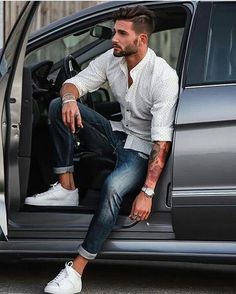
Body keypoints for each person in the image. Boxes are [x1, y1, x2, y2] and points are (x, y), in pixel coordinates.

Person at [25, 5, 178, 294]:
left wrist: (147, 192)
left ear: (141, 39)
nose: (114, 39)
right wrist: (70, 99)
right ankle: (66, 187)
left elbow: (161, 142)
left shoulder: (163, 77)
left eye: (122, 33)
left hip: (141, 149)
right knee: (59, 107)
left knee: (112, 187)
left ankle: (75, 271)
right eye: (115, 31)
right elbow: (75, 83)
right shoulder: (112, 59)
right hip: (117, 134)